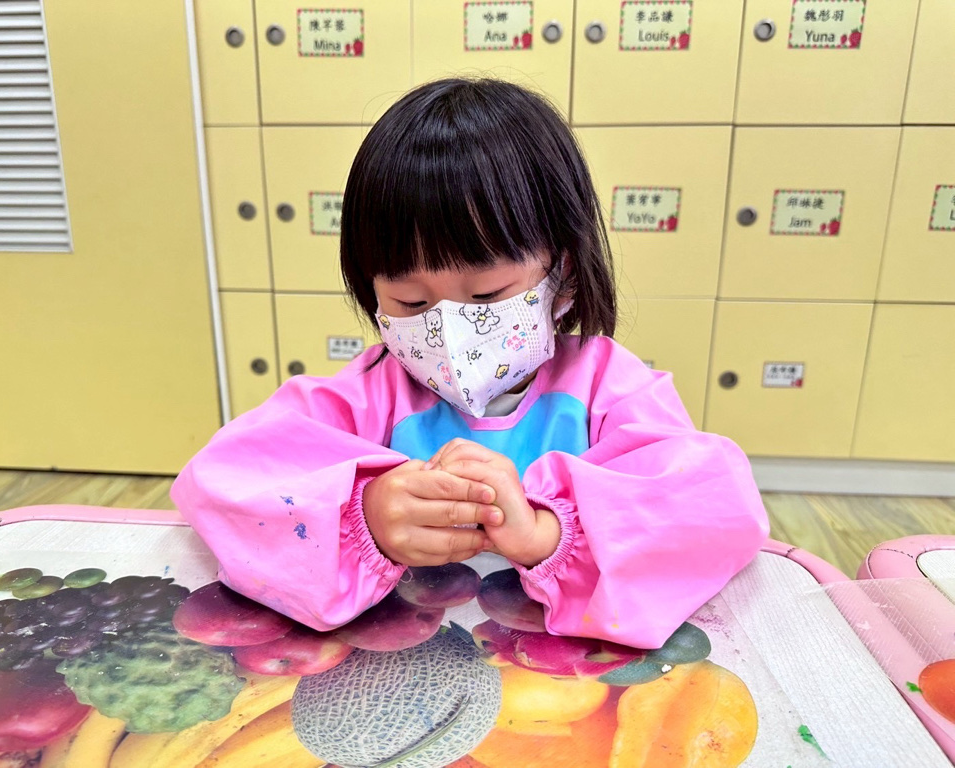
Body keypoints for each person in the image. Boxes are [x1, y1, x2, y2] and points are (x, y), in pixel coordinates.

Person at [172, 78, 768, 649]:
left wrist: (549, 535)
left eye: (486, 296)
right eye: (411, 302)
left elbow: (714, 508)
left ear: (562, 271)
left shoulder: (608, 386)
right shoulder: (362, 397)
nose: (449, 331)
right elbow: (224, 483)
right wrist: (364, 518)